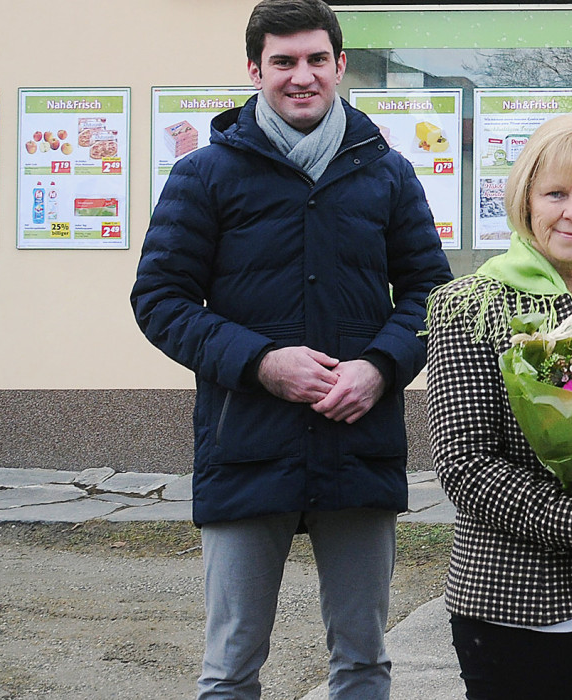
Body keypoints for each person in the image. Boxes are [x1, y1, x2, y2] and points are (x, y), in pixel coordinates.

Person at [128, 0, 452, 697]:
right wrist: (261, 363)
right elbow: (160, 301)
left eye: (315, 60)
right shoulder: (204, 176)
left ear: (340, 66)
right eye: (283, 62)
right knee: (231, 666)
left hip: (357, 446)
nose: (300, 76)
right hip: (245, 446)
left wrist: (380, 366)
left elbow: (431, 292)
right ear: (255, 70)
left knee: (364, 660)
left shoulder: (388, 174)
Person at [423, 115, 572, 700]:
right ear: (525, 199)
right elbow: (464, 464)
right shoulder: (468, 306)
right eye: (555, 194)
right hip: (513, 591)